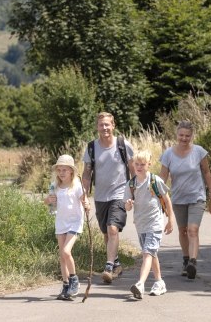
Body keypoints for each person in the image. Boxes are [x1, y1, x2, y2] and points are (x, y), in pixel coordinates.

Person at [159, 120, 211, 280]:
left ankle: (193, 262)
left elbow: (206, 172)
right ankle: (186, 260)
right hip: (178, 198)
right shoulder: (168, 154)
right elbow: (162, 177)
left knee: (193, 230)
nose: (184, 138)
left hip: (197, 197)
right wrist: (156, 195)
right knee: (183, 230)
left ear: (192, 136)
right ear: (176, 135)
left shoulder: (199, 152)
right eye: (181, 135)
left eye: (187, 136)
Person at [82, 112, 134, 283]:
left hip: (120, 193)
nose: (104, 128)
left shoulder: (122, 145)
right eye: (101, 125)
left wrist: (134, 192)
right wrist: (84, 194)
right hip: (100, 196)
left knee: (113, 229)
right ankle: (117, 263)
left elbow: (134, 169)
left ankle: (109, 266)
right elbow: (87, 172)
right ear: (97, 127)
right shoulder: (91, 147)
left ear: (113, 125)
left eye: (107, 124)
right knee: (106, 232)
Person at [124, 150, 174, 299]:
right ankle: (159, 282)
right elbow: (127, 207)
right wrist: (128, 204)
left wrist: (170, 219)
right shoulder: (131, 183)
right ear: (133, 164)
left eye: (142, 164)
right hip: (141, 224)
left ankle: (140, 284)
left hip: (155, 224)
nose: (139, 167)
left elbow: (166, 199)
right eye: (136, 164)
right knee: (152, 253)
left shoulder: (155, 180)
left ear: (149, 165)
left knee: (147, 253)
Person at [44, 154, 90, 301]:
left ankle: (74, 280)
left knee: (66, 251)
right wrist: (48, 200)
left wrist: (87, 205)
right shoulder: (55, 186)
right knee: (62, 256)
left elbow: (85, 200)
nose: (62, 173)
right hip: (61, 222)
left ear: (71, 171)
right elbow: (49, 203)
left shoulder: (76, 186)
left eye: (65, 170)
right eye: (59, 170)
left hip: (75, 222)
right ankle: (65, 285)